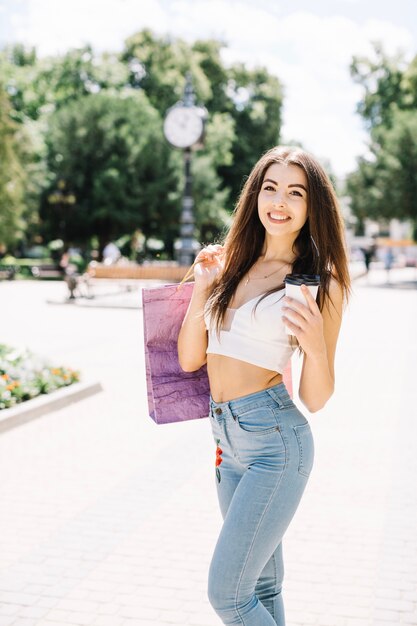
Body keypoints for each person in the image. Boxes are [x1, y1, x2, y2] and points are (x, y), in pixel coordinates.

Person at [177, 145, 351, 625]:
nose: (280, 201)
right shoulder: (231, 263)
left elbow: (316, 397)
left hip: (275, 441)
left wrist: (314, 342)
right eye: (270, 187)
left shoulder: (319, 282)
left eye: (295, 192)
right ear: (255, 195)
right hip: (226, 441)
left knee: (228, 596)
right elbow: (191, 357)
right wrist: (201, 287)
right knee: (262, 587)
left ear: (311, 206)